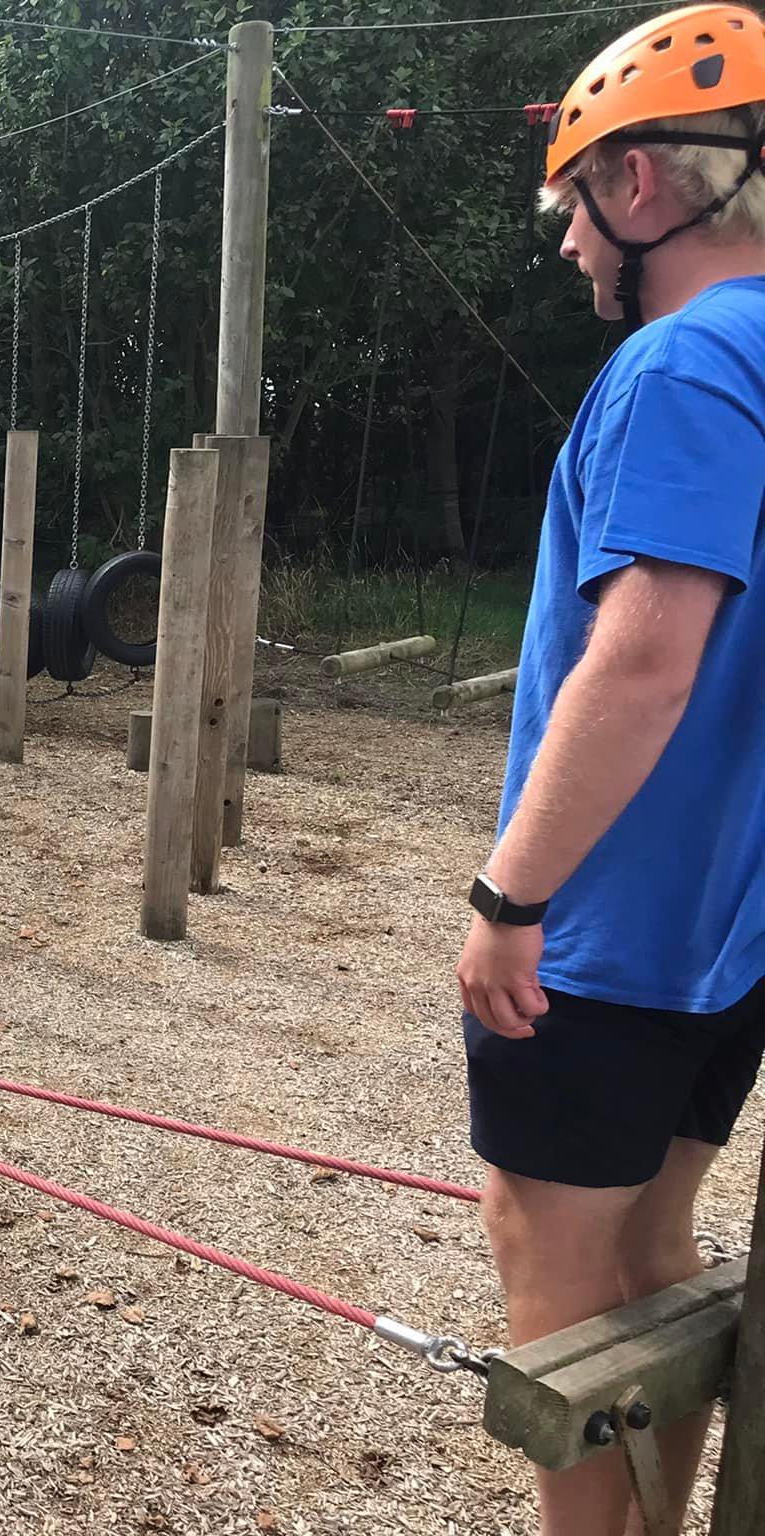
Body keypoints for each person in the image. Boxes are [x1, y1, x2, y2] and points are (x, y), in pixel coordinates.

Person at [457, 8, 765, 1533]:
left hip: (615, 928)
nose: (570, 241)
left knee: (556, 1264)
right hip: (731, 929)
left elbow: (643, 661)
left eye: (571, 204)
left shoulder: (682, 365)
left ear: (642, 183)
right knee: (655, 1250)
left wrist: (510, 897)